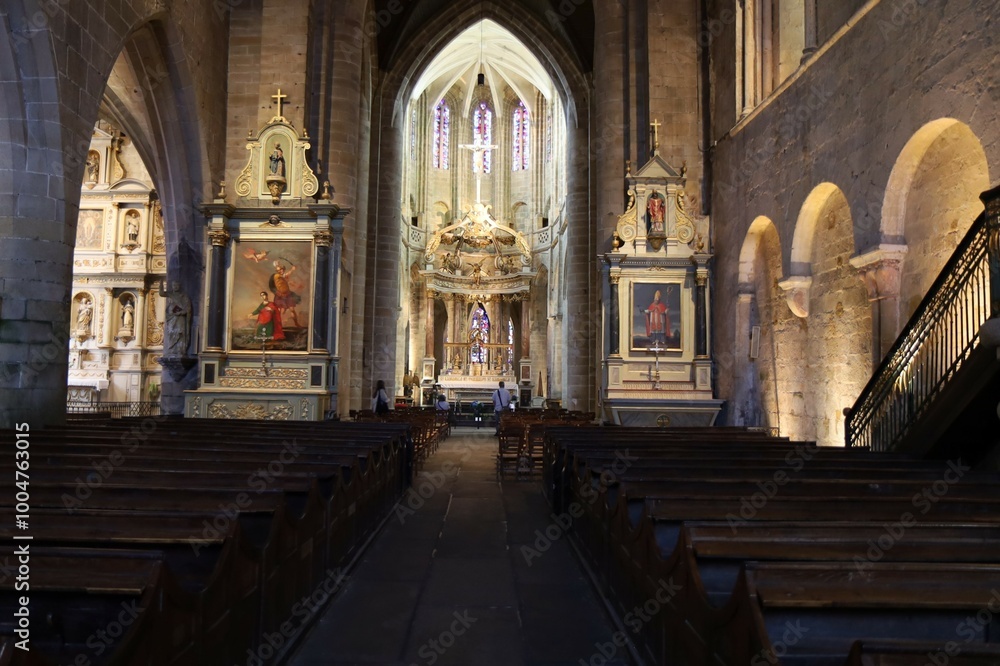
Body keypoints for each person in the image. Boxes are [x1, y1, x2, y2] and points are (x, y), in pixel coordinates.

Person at [269, 261, 302, 327]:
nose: (280, 271)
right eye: (279, 270)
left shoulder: (283, 277)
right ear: (277, 271)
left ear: (283, 269)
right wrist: (292, 270)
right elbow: (285, 275)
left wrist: (292, 283)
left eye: (281, 269)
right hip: (280, 296)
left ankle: (296, 323)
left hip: (288, 295)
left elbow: (286, 281)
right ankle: (277, 325)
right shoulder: (276, 276)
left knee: (292, 309)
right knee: (282, 311)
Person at [164, 281, 192, 357]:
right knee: (171, 332)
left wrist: (181, 313)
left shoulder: (184, 296)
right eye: (174, 285)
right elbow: (161, 293)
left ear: (179, 286)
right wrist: (161, 284)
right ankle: (172, 350)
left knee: (180, 333)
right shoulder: (170, 295)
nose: (175, 286)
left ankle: (180, 350)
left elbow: (188, 308)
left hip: (180, 318)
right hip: (171, 318)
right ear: (172, 286)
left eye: (177, 285)